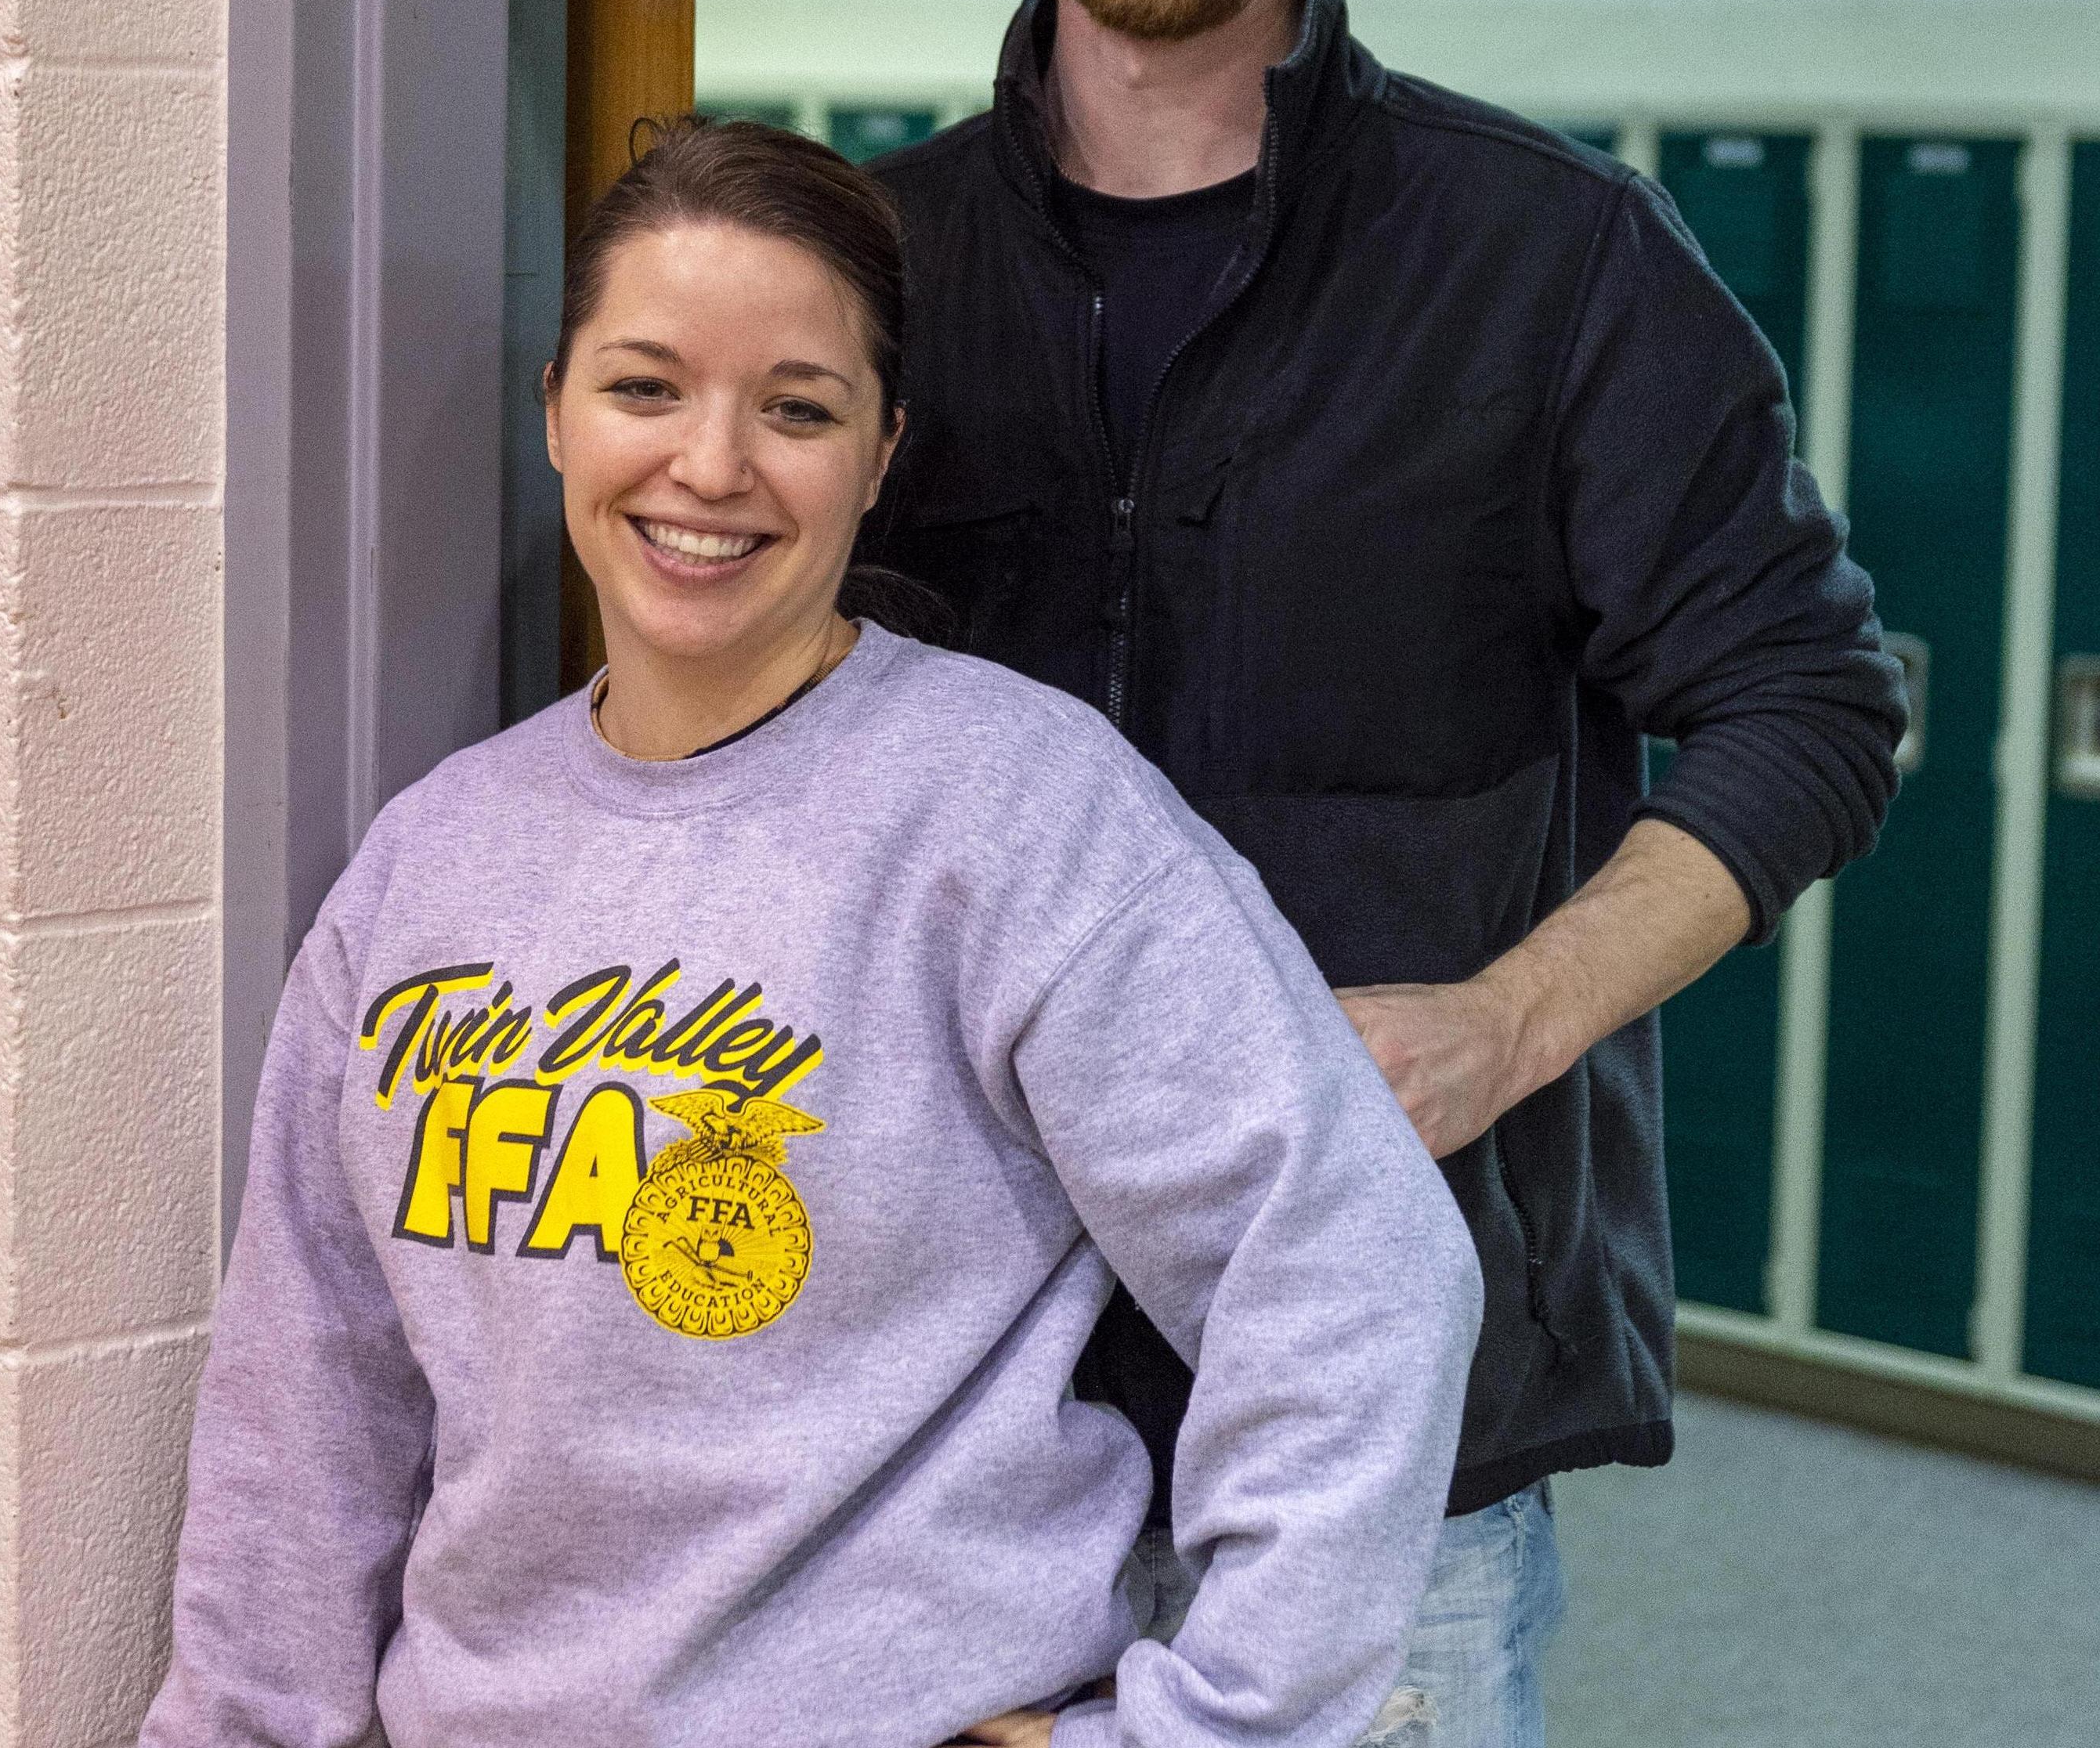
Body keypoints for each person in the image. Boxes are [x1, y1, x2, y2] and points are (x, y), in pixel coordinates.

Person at [863, 0, 1907, 1748]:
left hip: (1383, 1453)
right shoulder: (874, 277)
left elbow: (1811, 704)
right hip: (940, 1430)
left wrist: (1507, 1026)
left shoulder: (1556, 266)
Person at [139, 118, 1481, 1748]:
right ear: (555, 411)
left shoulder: (1014, 809)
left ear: (879, 449)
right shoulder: (432, 857)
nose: (710, 464)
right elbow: (310, 1400)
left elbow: (1347, 1274)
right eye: (644, 386)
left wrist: (1209, 1729)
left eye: (795, 407)